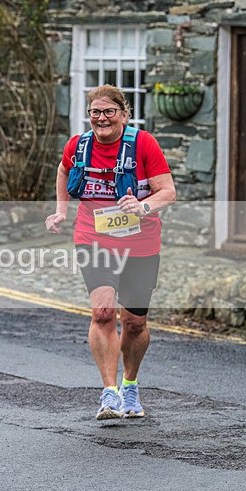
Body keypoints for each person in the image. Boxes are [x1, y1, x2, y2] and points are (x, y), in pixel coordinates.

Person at [45, 84, 176, 421]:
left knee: (134, 322)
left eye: (108, 112)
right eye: (95, 112)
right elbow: (63, 170)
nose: (101, 118)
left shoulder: (143, 144)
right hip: (93, 238)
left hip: (141, 243)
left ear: (123, 114)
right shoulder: (78, 145)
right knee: (103, 313)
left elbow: (168, 191)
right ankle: (109, 391)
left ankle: (130, 385)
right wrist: (61, 211)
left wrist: (143, 206)